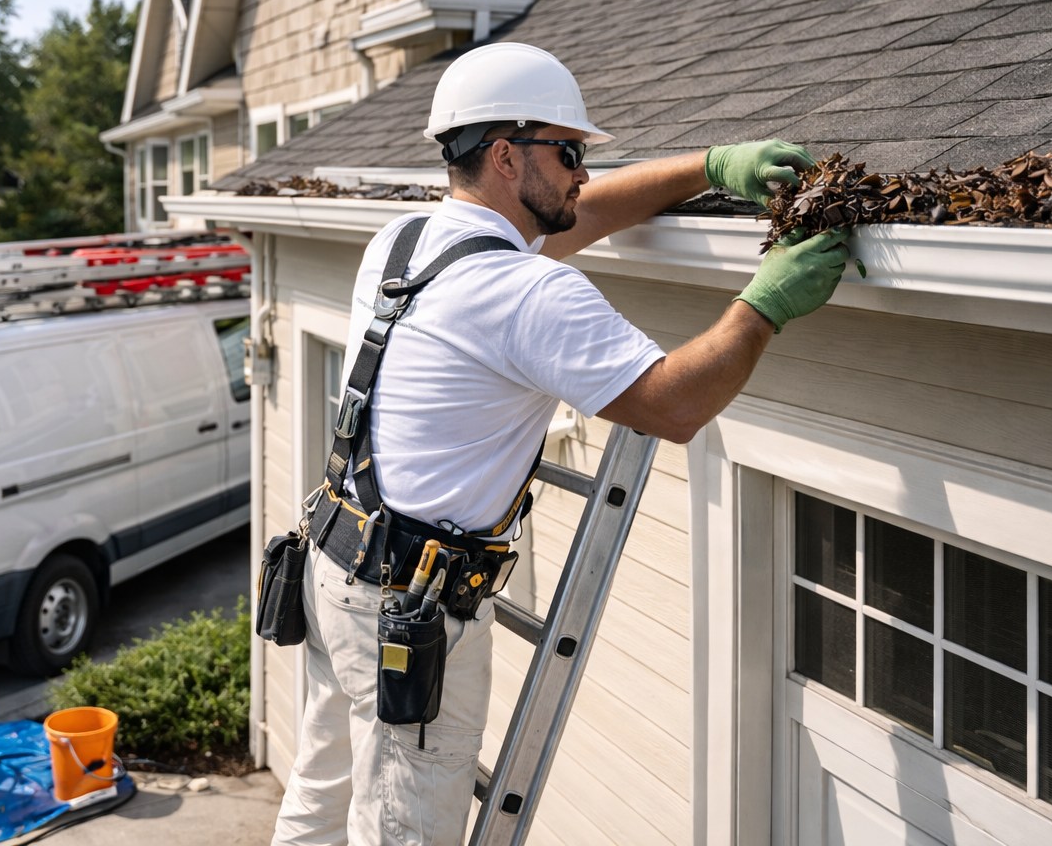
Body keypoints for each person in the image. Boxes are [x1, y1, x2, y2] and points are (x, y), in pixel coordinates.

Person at [271, 42, 849, 846]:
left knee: (322, 793)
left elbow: (593, 211)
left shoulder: (405, 241)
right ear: (507, 157)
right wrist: (766, 302)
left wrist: (711, 166)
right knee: (403, 832)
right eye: (569, 152)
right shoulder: (525, 291)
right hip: (408, 608)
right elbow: (674, 407)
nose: (581, 172)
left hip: (336, 568)